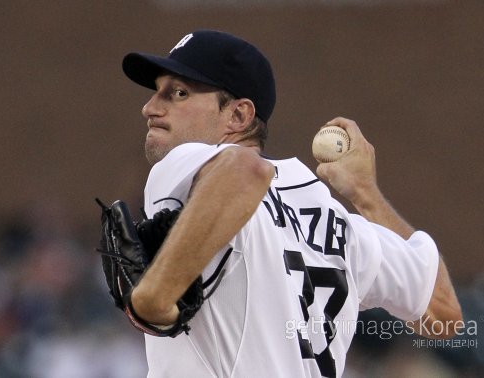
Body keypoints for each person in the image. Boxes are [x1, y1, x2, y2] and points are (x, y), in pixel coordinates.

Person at [120, 29, 462, 378]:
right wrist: (366, 194)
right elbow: (443, 314)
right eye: (156, 91)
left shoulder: (188, 162)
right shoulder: (339, 224)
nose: (151, 107)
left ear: (238, 116)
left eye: (178, 93)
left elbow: (245, 168)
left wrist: (151, 298)